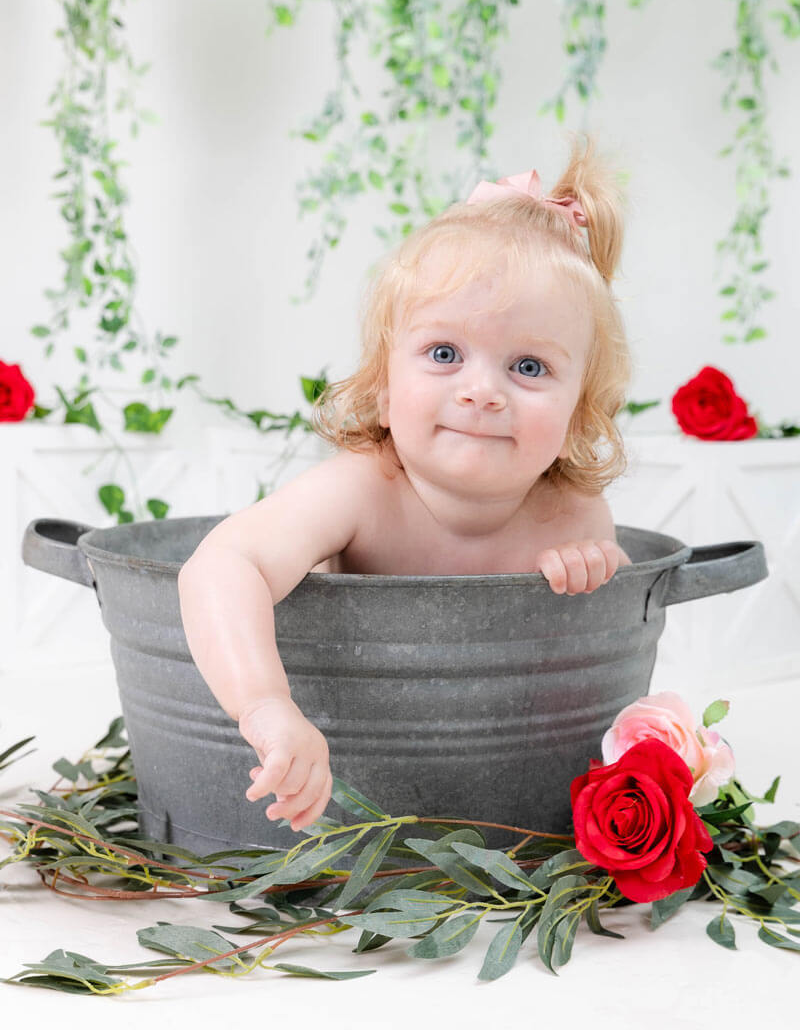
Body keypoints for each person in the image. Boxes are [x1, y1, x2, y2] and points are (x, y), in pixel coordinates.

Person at [177, 134, 634, 834]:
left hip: (501, 815)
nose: (482, 391)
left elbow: (602, 650)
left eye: (530, 367)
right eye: (444, 353)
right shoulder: (363, 491)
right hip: (348, 798)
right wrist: (266, 706)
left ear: (578, 416)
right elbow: (221, 564)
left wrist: (600, 568)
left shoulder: (573, 512)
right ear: (384, 389)